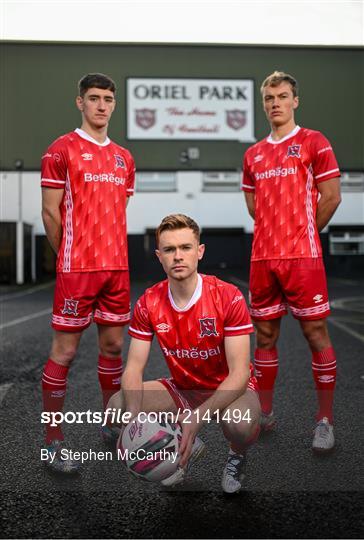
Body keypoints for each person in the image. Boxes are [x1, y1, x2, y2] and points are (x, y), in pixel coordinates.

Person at [108, 214, 261, 493]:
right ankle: (176, 445)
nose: (178, 256)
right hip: (183, 388)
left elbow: (240, 373)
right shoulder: (149, 302)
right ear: (159, 256)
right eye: (169, 249)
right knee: (117, 407)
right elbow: (133, 367)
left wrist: (198, 417)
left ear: (199, 251)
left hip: (230, 389)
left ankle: (237, 455)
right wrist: (133, 416)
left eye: (185, 247)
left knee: (240, 424)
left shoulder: (228, 296)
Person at [41, 73, 136, 473]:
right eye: (93, 98)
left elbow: (118, 212)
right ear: (79, 102)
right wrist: (68, 255)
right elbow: (50, 212)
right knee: (64, 352)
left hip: (116, 269)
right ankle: (53, 441)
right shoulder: (60, 150)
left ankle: (112, 425)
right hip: (76, 269)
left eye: (108, 99)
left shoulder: (125, 158)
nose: (101, 105)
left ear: (114, 105)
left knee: (113, 349)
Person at [242, 71, 341, 452]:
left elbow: (330, 196)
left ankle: (325, 421)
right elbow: (254, 206)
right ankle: (264, 413)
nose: (275, 103)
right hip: (263, 258)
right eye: (268, 98)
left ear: (294, 101)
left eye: (282, 96)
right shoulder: (253, 154)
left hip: (303, 259)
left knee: (316, 335)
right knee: (265, 337)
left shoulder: (314, 142)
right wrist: (275, 232)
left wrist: (304, 233)